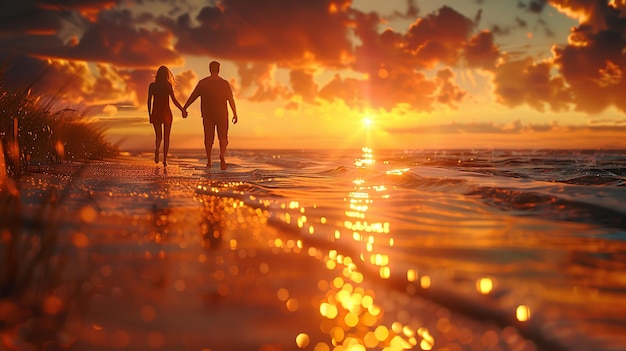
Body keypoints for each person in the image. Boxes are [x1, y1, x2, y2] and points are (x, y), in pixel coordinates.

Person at [183, 60, 238, 170]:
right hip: (222, 114)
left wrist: (185, 107)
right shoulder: (224, 83)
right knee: (223, 137)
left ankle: (209, 160)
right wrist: (235, 113)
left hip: (208, 115)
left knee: (209, 138)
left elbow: (193, 96)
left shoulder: (203, 83)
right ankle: (222, 156)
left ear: (209, 69)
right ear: (219, 70)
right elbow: (230, 99)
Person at [147, 66, 185, 166]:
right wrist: (182, 109)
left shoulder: (152, 86)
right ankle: (164, 160)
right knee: (166, 137)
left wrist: (149, 114)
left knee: (158, 136)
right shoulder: (167, 86)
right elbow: (174, 100)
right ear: (167, 75)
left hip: (156, 112)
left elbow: (149, 101)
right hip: (166, 112)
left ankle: (157, 149)